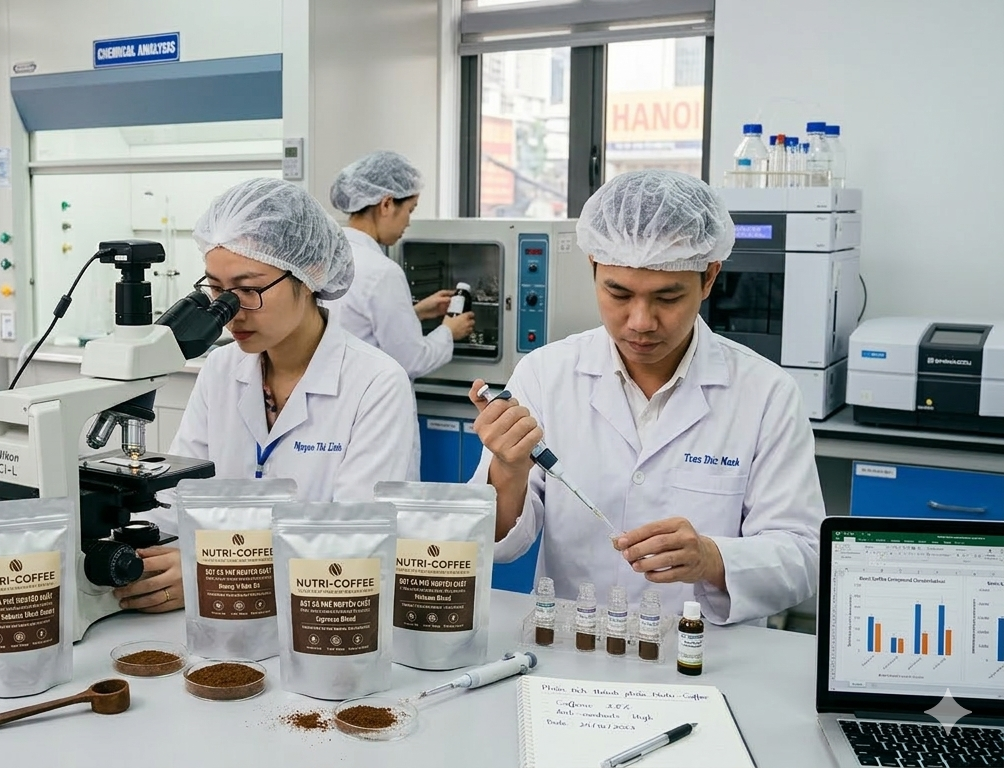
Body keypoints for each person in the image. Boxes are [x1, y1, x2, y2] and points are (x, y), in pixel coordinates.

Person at [468, 170, 823, 626]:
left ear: (709, 278)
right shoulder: (545, 375)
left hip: (707, 650)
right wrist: (509, 468)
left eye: (668, 297)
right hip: (575, 644)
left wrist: (710, 558)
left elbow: (803, 556)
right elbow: (493, 544)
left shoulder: (766, 393)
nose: (640, 322)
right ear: (593, 267)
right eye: (618, 292)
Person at [114, 177, 419, 613]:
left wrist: (215, 573)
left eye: (249, 289)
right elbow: (179, 499)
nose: (230, 311)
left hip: (323, 619)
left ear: (310, 274)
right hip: (221, 622)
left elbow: (358, 539)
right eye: (217, 289)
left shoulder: (376, 383)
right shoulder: (221, 370)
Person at [328, 151, 476, 379]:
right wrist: (449, 331)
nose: (408, 222)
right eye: (410, 210)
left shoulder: (330, 256)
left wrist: (414, 313)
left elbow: (358, 326)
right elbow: (412, 361)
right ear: (387, 204)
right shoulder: (381, 272)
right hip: (373, 396)